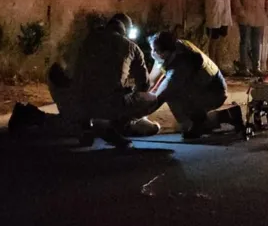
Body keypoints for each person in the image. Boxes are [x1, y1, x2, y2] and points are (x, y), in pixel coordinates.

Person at [9, 14, 161, 148]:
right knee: (152, 99)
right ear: (126, 31)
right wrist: (127, 89)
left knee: (77, 124)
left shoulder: (85, 38)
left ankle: (33, 115)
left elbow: (64, 68)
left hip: (70, 91)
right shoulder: (131, 47)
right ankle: (111, 126)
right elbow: (144, 85)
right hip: (107, 103)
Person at [147, 32, 229, 139]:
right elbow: (152, 81)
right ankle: (223, 116)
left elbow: (161, 95)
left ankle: (198, 123)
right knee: (173, 93)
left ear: (165, 52)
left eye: (155, 50)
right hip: (206, 87)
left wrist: (135, 115)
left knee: (173, 96)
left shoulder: (181, 64)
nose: (152, 53)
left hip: (214, 93)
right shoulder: (175, 47)